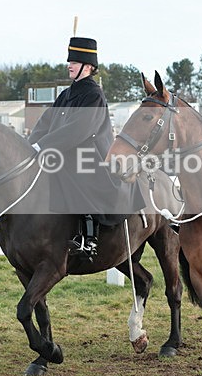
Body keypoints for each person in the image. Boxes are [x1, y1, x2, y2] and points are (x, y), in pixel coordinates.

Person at [25, 36, 144, 260]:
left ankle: (87, 237)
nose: (69, 65)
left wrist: (43, 145)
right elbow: (45, 122)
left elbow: (79, 129)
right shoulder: (66, 95)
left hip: (90, 157)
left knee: (72, 175)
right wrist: (29, 145)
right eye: (70, 61)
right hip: (64, 154)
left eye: (74, 62)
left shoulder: (94, 95)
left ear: (87, 67)